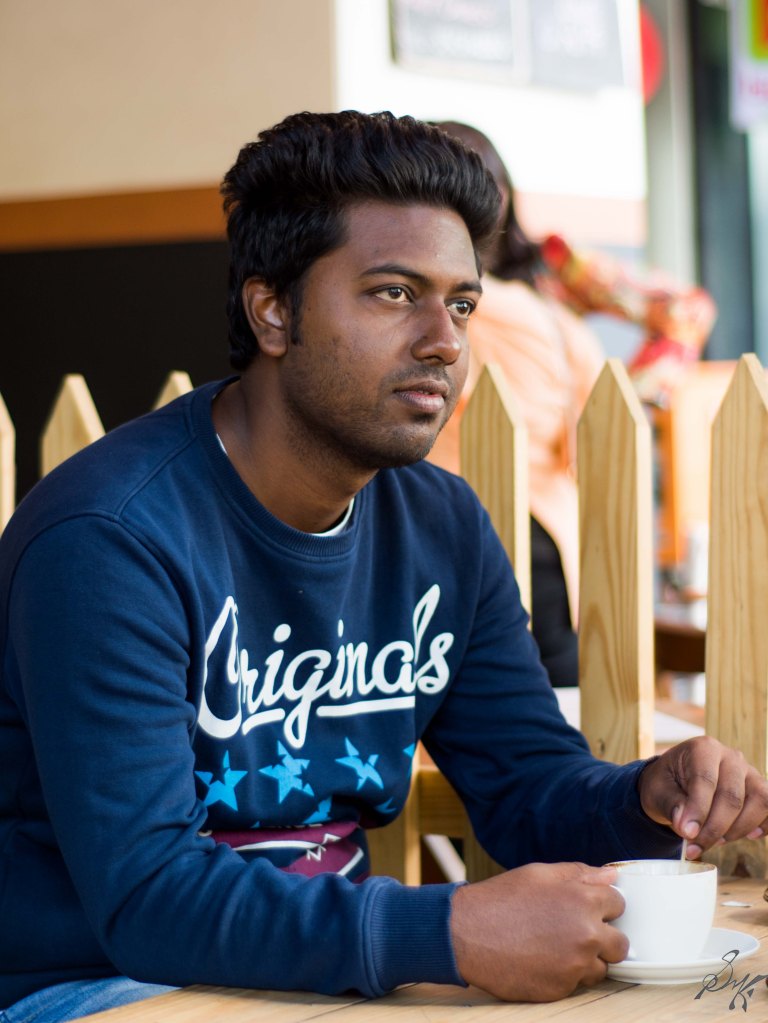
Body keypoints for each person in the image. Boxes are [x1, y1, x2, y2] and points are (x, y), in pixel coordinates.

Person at [0, 111, 763, 1021]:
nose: (445, 339)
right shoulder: (109, 538)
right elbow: (146, 895)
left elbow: (525, 787)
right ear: (272, 310)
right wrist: (444, 932)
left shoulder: (441, 527)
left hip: (319, 984)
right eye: (395, 293)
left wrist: (644, 794)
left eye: (463, 303)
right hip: (95, 985)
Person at [428, 121, 716, 687]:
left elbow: (685, 308)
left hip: (483, 523)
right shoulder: (545, 302)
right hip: (551, 528)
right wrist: (619, 404)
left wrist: (625, 398)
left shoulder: (513, 289)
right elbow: (687, 309)